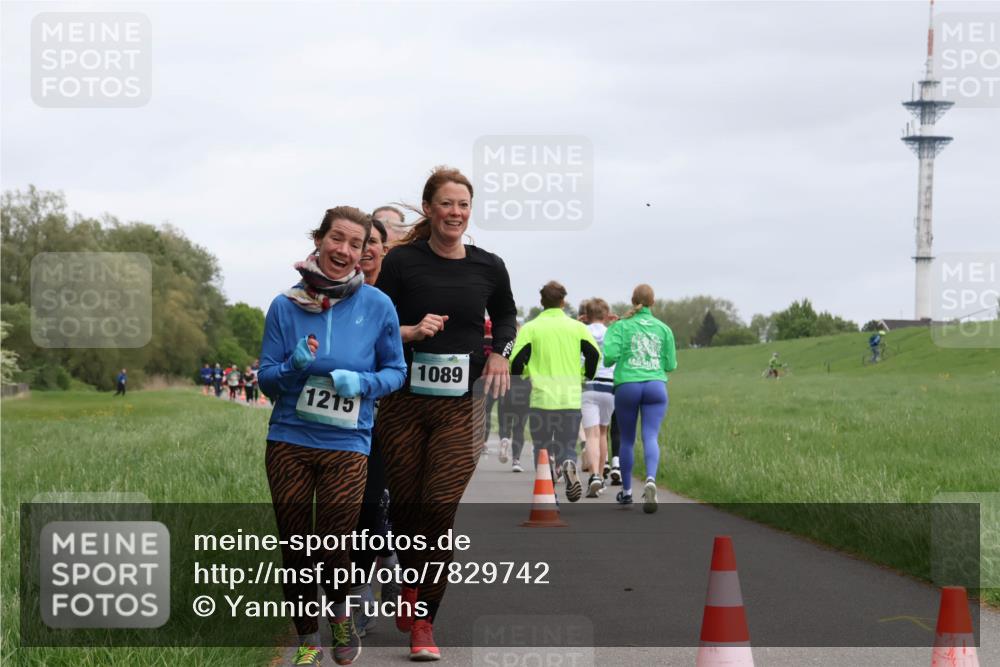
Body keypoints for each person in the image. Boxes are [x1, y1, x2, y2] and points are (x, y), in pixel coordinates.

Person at [375, 166, 517, 661]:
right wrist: (410, 331)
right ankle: (410, 591)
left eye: (463, 205)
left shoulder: (489, 265)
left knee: (439, 508)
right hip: (402, 404)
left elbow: (506, 316)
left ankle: (424, 624)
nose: (455, 213)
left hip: (464, 405)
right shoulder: (401, 263)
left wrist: (501, 351)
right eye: (446, 204)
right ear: (429, 209)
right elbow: (380, 320)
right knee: (411, 506)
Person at [257, 206, 406, 666]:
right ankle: (307, 640)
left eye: (354, 244)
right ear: (319, 240)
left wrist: (361, 384)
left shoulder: (378, 306)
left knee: (334, 542)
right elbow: (266, 379)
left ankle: (339, 614)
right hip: (289, 440)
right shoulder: (285, 305)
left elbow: (396, 372)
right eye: (335, 239)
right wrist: (293, 366)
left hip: (347, 442)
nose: (343, 250)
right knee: (296, 543)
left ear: (365, 254)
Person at [510, 281, 600, 503]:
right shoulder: (577, 328)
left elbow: (516, 360)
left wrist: (526, 372)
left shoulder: (531, 328)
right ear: (564, 301)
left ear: (541, 302)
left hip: (541, 399)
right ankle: (568, 462)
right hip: (569, 398)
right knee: (568, 445)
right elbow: (594, 355)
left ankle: (550, 496)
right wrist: (585, 375)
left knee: (541, 449)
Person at [603, 284, 677, 514]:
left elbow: (609, 358)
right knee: (651, 436)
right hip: (655, 386)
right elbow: (670, 365)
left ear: (632, 300)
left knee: (626, 439)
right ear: (653, 302)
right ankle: (651, 479)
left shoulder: (620, 326)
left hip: (628, 385)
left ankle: (626, 493)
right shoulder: (664, 329)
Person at [580, 298, 616, 498]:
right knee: (603, 433)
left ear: (586, 316)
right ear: (607, 315)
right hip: (609, 386)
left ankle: (593, 474)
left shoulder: (582, 331)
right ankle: (601, 477)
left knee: (591, 434)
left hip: (589, 385)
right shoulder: (612, 333)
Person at [497, 320, 531, 472]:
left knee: (504, 421)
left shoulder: (505, 347)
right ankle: (516, 460)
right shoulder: (527, 348)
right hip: (524, 388)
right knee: (519, 427)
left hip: (506, 386)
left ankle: (504, 439)